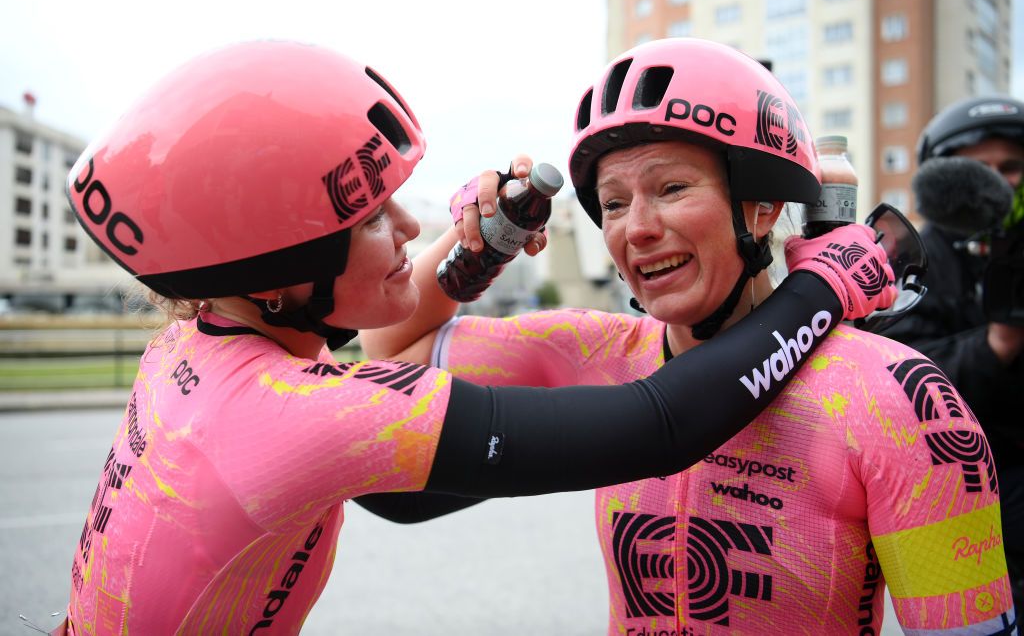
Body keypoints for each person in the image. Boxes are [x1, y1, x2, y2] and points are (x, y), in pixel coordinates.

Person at [54, 40, 894, 635]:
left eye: (672, 187)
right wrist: (829, 283)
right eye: (371, 215)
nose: (410, 224)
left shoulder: (205, 346)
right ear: (280, 273)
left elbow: (387, 458)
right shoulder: (285, 413)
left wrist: (478, 248)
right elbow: (660, 426)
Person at [361, 38, 1017, 634]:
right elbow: (390, 351)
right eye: (614, 203)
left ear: (762, 207)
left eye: (671, 187)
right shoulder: (598, 351)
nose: (636, 228)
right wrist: (479, 237)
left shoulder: (898, 399)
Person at [884, 94, 1024, 615]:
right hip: (960, 483)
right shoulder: (915, 258)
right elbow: (897, 381)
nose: (997, 181)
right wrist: (999, 342)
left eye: (1010, 167)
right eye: (979, 168)